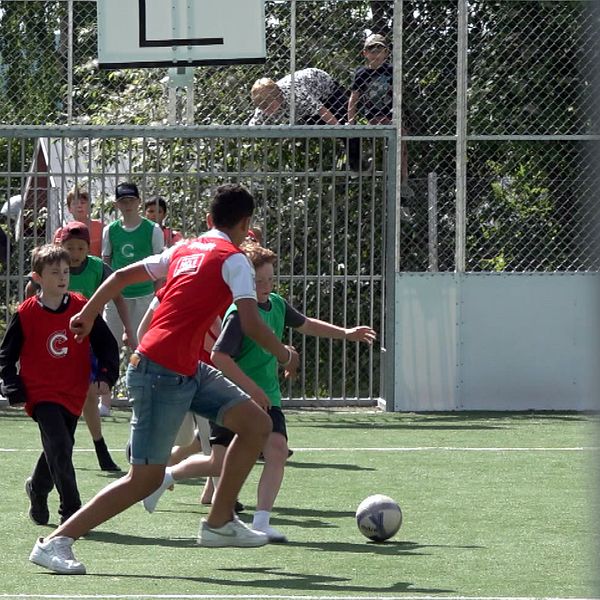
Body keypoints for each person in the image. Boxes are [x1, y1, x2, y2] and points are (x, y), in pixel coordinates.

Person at [28, 183, 300, 575]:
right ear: (245, 224)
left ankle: (220, 522)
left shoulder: (185, 248)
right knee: (144, 479)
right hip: (159, 371)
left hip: (185, 367)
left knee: (257, 422)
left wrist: (89, 312)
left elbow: (121, 275)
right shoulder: (234, 258)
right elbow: (252, 322)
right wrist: (284, 353)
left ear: (208, 220)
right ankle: (56, 542)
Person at [142, 240, 376, 544]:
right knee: (218, 463)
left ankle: (262, 521)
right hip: (232, 398)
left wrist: (345, 333)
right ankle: (167, 477)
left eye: (269, 279)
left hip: (268, 397)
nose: (265, 286)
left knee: (277, 451)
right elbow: (219, 357)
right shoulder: (239, 315)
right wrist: (250, 388)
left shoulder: (276, 304)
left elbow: (305, 325)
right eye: (257, 281)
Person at [0, 244, 119, 527]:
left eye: (65, 271)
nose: (62, 277)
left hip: (74, 390)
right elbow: (7, 354)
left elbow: (106, 344)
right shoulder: (27, 312)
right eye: (54, 272)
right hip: (41, 392)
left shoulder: (81, 307)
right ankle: (72, 511)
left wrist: (106, 373)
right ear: (37, 277)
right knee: (60, 444)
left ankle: (38, 488)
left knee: (59, 446)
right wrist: (14, 386)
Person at [99, 182, 164, 416]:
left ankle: (141, 399)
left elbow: (160, 266)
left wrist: (159, 298)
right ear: (117, 204)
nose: (127, 205)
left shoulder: (152, 229)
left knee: (142, 349)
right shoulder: (111, 231)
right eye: (122, 201)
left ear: (138, 202)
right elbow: (106, 265)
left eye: (131, 200)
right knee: (109, 347)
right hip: (117, 299)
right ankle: (105, 401)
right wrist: (106, 294)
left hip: (145, 297)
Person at [347, 34, 413, 195]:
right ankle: (367, 168)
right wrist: (351, 120)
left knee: (401, 144)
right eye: (371, 49)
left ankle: (403, 181)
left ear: (386, 52)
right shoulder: (362, 74)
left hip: (391, 116)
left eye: (379, 49)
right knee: (370, 139)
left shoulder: (391, 71)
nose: (375, 53)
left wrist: (396, 117)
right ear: (365, 53)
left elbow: (399, 94)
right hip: (373, 117)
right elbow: (354, 97)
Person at [249, 68, 348, 126]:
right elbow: (253, 126)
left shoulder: (296, 94)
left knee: (345, 124)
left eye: (270, 107)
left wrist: (339, 128)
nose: (267, 112)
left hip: (327, 92)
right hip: (306, 108)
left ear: (277, 97)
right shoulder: (263, 105)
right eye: (263, 108)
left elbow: (320, 110)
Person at [63, 186, 104, 257]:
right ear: (69, 208)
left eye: (83, 202)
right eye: (75, 203)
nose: (79, 206)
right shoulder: (62, 232)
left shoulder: (102, 228)